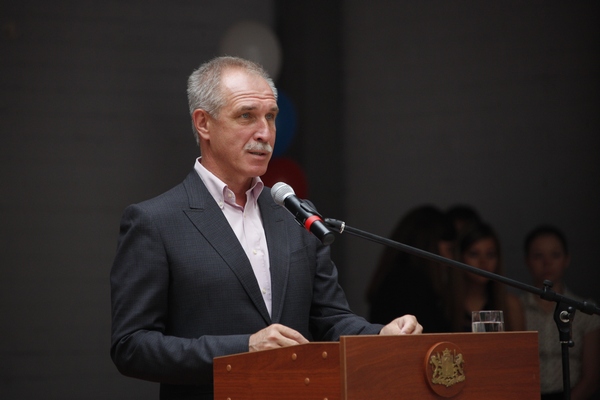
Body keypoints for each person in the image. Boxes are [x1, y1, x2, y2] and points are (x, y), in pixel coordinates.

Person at [110, 56, 422, 400]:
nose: (265, 133)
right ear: (203, 123)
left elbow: (330, 320)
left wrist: (380, 337)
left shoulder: (295, 214)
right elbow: (131, 346)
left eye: (270, 117)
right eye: (246, 116)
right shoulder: (155, 221)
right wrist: (244, 348)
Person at [520, 225, 600, 400]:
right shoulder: (517, 308)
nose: (547, 262)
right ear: (527, 261)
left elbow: (592, 378)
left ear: (567, 259)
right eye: (538, 256)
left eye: (555, 255)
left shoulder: (585, 310)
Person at [366, 205, 456, 332]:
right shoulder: (408, 283)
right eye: (450, 250)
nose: (451, 258)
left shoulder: (396, 276)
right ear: (430, 247)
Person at [447, 221, 525, 332]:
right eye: (474, 254)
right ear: (460, 258)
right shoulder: (445, 303)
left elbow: (521, 343)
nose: (483, 262)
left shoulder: (510, 305)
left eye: (490, 254)